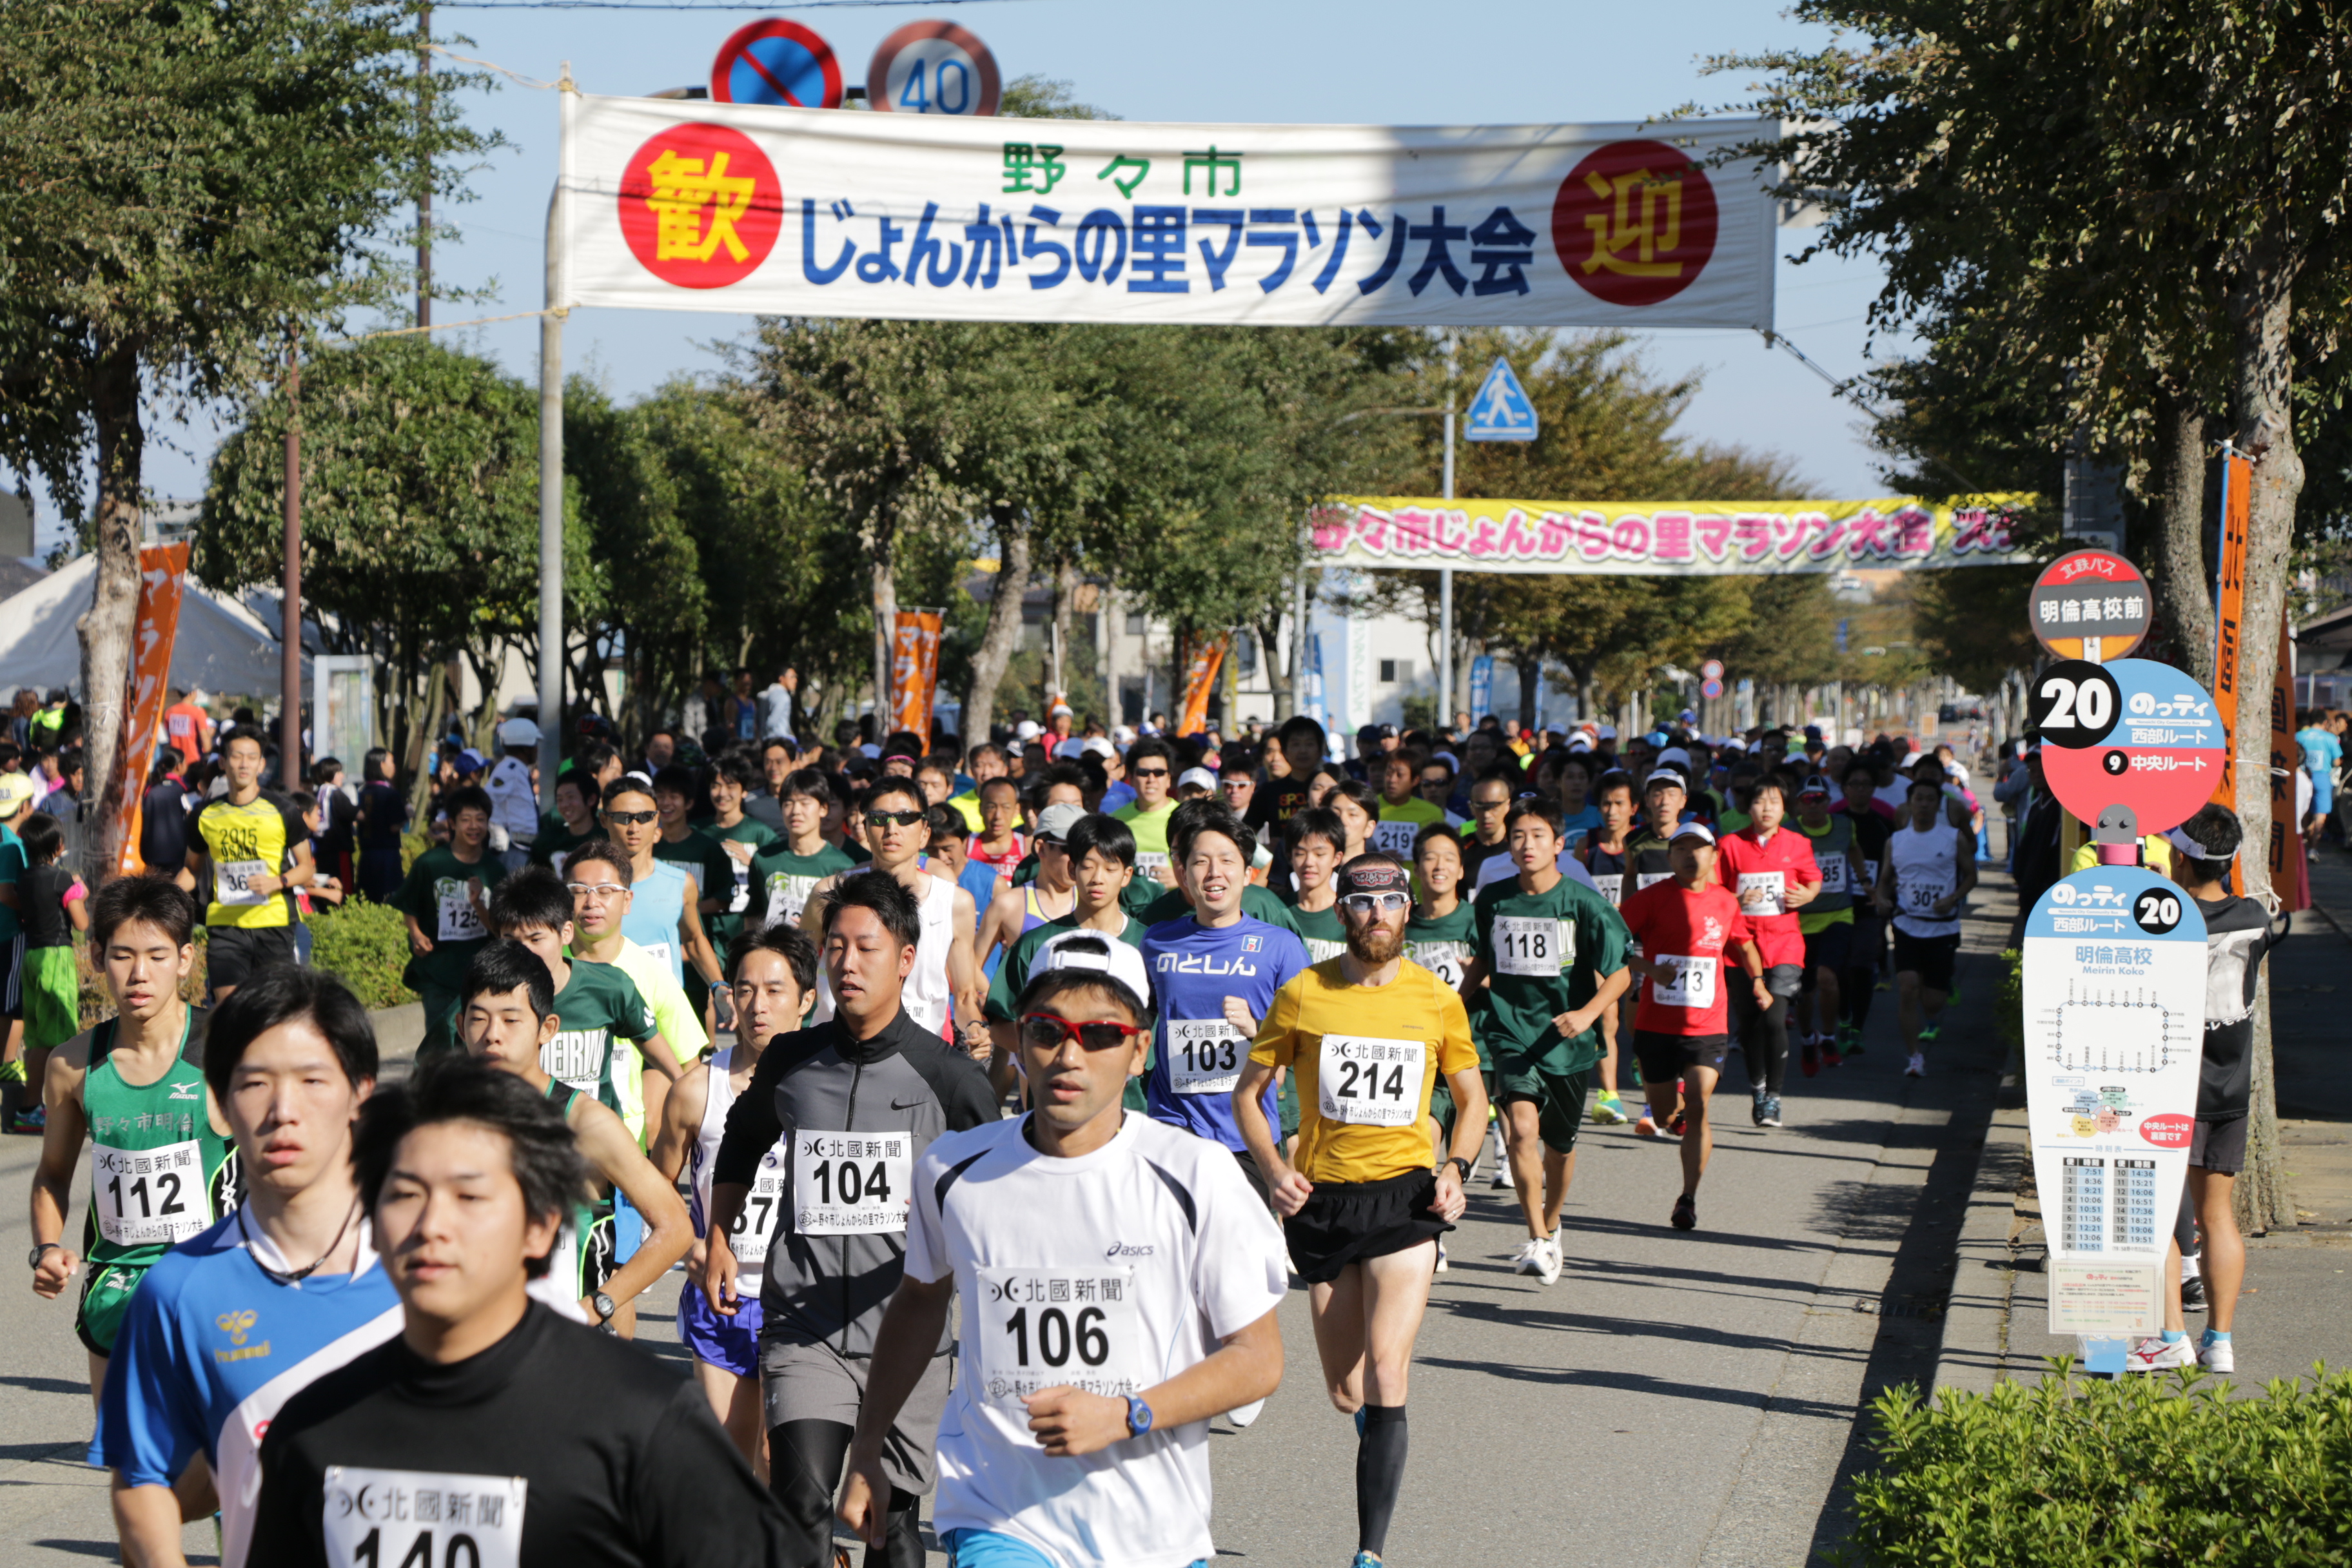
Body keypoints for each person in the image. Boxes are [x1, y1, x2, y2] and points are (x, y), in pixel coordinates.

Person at [838, 946, 1288, 1568]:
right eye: (1047, 1032)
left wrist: (1128, 1415)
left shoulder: (1197, 1175)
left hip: (1152, 1529)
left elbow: (1257, 1360)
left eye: (1100, 1033)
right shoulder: (951, 1170)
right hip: (997, 1511)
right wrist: (868, 1450)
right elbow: (920, 1300)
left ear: (1139, 1051)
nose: (1068, 1056)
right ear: (1019, 1041)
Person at [245, 1056, 790, 1567]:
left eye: (470, 1197)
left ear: (542, 1223)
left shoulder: (648, 1424)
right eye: (405, 1194)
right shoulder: (312, 1431)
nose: (432, 1226)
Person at [701, 872, 997, 1568]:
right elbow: (741, 1144)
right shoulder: (792, 1060)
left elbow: (998, 1192)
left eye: (867, 946)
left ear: (905, 957)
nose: (847, 961)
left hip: (909, 1329)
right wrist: (718, 1236)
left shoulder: (949, 1077)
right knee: (802, 1498)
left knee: (889, 1527)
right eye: (835, 945)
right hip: (805, 1326)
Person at [93, 967, 400, 1568]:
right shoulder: (180, 1289)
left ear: (360, 1092)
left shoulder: (436, 1260)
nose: (284, 1110)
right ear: (221, 1100)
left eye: (313, 1079)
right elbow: (142, 1476)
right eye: (255, 1083)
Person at [1235, 854, 1487, 1568]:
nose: (1379, 915)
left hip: (1406, 1197)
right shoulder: (1304, 993)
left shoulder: (1437, 998)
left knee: (1387, 1370)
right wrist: (1276, 1171)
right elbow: (1248, 1095)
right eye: (1364, 904)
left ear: (1409, 910)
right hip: (1324, 1200)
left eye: (1391, 903)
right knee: (1348, 1391)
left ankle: (1369, 1551)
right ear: (1343, 912)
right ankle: (1376, 1428)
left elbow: (1472, 1100)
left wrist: (1456, 1169)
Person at [30, 876, 231, 1401]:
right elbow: (52, 1175)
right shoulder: (71, 1067)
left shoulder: (230, 1050)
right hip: (117, 1283)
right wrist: (46, 1249)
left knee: (209, 1461)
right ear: (96, 956)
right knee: (125, 1456)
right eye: (122, 955)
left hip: (218, 1277)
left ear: (186, 959)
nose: (139, 974)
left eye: (157, 956)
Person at [454, 940, 692, 1336]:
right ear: (461, 1027)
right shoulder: (440, 1119)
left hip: (570, 1345)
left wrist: (601, 1303)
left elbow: (675, 1227)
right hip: (475, 1340)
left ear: (547, 1029)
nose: (493, 1035)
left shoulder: (585, 1123)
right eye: (479, 1019)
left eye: (511, 1020)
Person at [649, 924, 820, 1473]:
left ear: (806, 1002)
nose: (757, 1006)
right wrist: (693, 1246)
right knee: (732, 1454)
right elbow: (657, 1189)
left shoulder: (830, 1090)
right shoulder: (696, 1089)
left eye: (774, 991)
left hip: (800, 1302)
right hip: (722, 1298)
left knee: (779, 1459)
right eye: (743, 990)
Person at [2129, 807, 2284, 1375]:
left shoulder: (2166, 919)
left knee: (2157, 1217)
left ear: (2179, 855)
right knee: (2218, 1218)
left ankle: (2170, 1336)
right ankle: (2219, 1341)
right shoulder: (2254, 917)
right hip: (2230, 1087)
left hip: (2170, 1090)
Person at [1456, 798, 1631, 1283]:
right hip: (1510, 1032)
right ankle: (1536, 1236)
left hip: (1567, 1042)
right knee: (1521, 1129)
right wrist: (1452, 1005)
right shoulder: (1493, 899)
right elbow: (1483, 963)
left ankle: (1553, 1225)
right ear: (1507, 847)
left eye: (1537, 836)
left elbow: (1620, 974)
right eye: (1518, 836)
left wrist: (1588, 1013)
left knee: (1559, 1148)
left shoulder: (1583, 903)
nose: (1526, 844)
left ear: (1558, 844)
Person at [1142, 804, 1312, 1202]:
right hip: (1173, 1122)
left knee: (1238, 1254)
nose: (1214, 872)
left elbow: (1309, 1039)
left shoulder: (1280, 946)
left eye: (1226, 861)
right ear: (1183, 873)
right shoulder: (1156, 941)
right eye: (1200, 862)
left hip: (1248, 1128)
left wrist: (1259, 1030)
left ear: (1248, 873)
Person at [1616, 824, 1769, 1230]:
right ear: (1669, 859)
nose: (1689, 855)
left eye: (1698, 848)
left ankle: (1687, 1198)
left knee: (1700, 1101)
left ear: (1713, 856)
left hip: (1708, 1024)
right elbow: (1611, 941)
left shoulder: (1725, 902)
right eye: (1680, 848)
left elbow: (1744, 943)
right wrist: (1649, 969)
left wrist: (1757, 982)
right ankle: (1674, 1115)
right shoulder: (1651, 899)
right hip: (1656, 1024)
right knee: (1667, 1116)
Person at [800, 776, 985, 1057]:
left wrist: (974, 1028)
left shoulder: (955, 903)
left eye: (905, 817)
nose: (891, 828)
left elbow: (964, 996)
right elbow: (798, 976)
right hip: (834, 1052)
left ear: (925, 831)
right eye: (879, 817)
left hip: (921, 1056)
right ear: (864, 827)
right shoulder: (828, 894)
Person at [558, 841, 705, 1142]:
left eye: (605, 890)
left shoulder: (653, 975)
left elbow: (689, 1064)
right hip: (547, 1138)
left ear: (627, 901)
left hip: (626, 1146)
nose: (591, 902)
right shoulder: (540, 967)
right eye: (579, 890)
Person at [1713, 778, 1821, 1130]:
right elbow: (1714, 891)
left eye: (1775, 801)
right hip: (1740, 946)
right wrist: (1736, 901)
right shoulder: (1730, 845)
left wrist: (1808, 895)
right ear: (1749, 806)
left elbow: (1813, 879)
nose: (1767, 808)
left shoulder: (1798, 843)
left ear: (1785, 807)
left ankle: (1774, 1097)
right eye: (1760, 801)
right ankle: (1757, 1089)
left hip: (1784, 942)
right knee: (1750, 1024)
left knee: (1774, 1017)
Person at [180, 730, 315, 1004]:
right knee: (228, 1005)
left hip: (274, 922)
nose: (244, 764)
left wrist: (277, 882)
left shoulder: (282, 809)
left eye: (252, 757)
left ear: (261, 765)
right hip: (225, 925)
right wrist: (157, 900)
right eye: (237, 757)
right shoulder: (205, 815)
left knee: (276, 1008)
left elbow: (307, 868)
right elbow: (190, 872)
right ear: (223, 762)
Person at [599, 774, 729, 1048]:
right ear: (604, 820)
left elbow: (694, 940)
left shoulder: (681, 883)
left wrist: (718, 986)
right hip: (607, 1017)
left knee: (685, 1087)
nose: (634, 827)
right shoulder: (588, 888)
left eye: (645, 816)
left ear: (657, 820)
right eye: (623, 817)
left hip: (666, 1017)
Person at [394, 782, 505, 1061]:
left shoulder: (495, 870)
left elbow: (502, 929)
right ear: (452, 823)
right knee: (440, 1045)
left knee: (477, 1047)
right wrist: (416, 934)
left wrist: (479, 903)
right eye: (466, 820)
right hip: (438, 973)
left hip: (481, 974)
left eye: (480, 820)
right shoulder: (431, 863)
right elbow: (409, 903)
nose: (473, 826)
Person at [1872, 776, 1975, 1077]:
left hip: (1942, 928)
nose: (1924, 804)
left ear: (1938, 803)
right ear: (1910, 803)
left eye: (1931, 799)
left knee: (1933, 1002)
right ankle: (1914, 1056)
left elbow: (1971, 876)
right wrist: (1881, 898)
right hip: (1906, 925)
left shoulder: (1952, 837)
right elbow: (1885, 880)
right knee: (1907, 988)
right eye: (1919, 799)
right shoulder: (1896, 841)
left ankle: (1939, 986)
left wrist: (1954, 897)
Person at [11, 811, 89, 1124]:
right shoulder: (62, 879)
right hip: (56, 957)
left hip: (30, 957)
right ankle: (61, 1109)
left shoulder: (23, 879)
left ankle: (30, 1109)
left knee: (38, 1036)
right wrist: (80, 893)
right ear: (59, 847)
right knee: (61, 1037)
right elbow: (81, 923)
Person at [1790, 774, 1868, 1072]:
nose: (1814, 805)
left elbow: (1854, 849)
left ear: (1829, 802)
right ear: (1799, 804)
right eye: (1808, 800)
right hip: (1800, 920)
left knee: (1827, 977)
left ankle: (1828, 1036)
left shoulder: (1844, 826)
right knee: (1805, 991)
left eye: (1820, 799)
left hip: (1838, 914)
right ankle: (1808, 1038)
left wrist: (1865, 881)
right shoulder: (1788, 832)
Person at [747, 767, 858, 933]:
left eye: (805, 803)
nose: (795, 811)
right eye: (788, 803)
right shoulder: (763, 859)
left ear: (823, 809)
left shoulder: (843, 865)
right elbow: (752, 917)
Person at [703, 751, 780, 949]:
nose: (722, 793)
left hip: (748, 934)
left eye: (731, 786)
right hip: (705, 931)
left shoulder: (761, 834)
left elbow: (777, 882)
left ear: (745, 790)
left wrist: (754, 864)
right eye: (716, 785)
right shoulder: (697, 832)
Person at [1112, 738, 1180, 886]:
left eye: (1159, 773)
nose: (1151, 779)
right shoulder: (1115, 821)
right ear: (1132, 779)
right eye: (1143, 773)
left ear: (1169, 779)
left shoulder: (1184, 817)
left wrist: (1180, 878)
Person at [1286, 807, 1349, 962]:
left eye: (1320, 854)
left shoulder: (1351, 914)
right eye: (1300, 854)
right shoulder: (1277, 910)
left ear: (1337, 858)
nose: (1309, 863)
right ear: (1290, 857)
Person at [486, 717, 542, 868]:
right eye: (535, 744)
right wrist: (496, 829)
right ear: (526, 748)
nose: (537, 749)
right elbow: (487, 801)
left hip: (524, 849)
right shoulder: (508, 769)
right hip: (513, 851)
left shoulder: (517, 769)